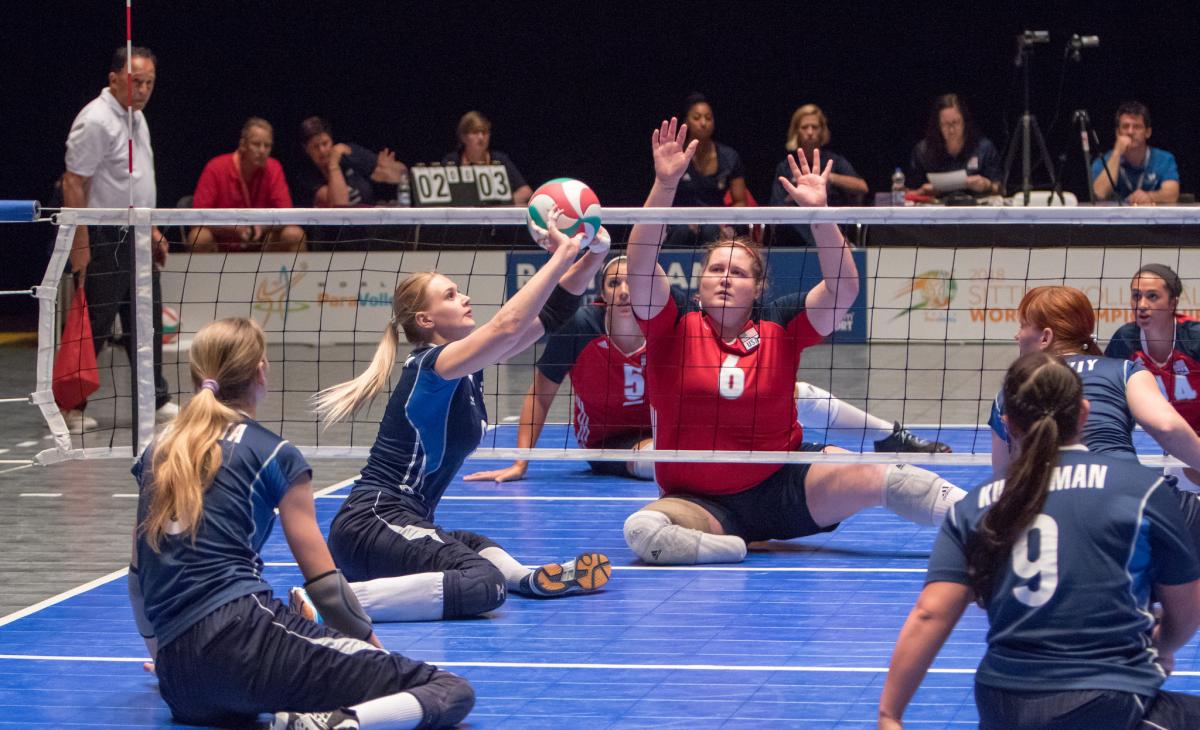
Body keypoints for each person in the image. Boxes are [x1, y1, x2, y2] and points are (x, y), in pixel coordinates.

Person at [619, 117, 965, 567]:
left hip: (786, 484)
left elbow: (844, 290)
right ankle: (734, 546)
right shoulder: (672, 323)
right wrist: (665, 185)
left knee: (886, 478)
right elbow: (640, 263)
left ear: (758, 288)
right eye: (716, 270)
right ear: (700, 281)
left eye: (738, 272)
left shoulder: (780, 323)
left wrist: (818, 215)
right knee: (642, 531)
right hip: (700, 501)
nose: (725, 278)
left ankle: (994, 520)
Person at [129, 317, 474, 730]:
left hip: (183, 685)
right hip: (247, 637)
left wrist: (164, 655)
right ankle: (336, 724)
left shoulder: (159, 451)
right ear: (260, 370)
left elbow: (138, 578)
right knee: (447, 689)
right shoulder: (274, 454)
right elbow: (325, 586)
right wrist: (375, 655)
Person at [304, 211, 611, 623]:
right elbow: (506, 325)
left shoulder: (468, 365)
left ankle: (530, 578)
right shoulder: (432, 367)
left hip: (402, 522)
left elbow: (548, 317)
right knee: (483, 584)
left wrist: (593, 257)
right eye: (450, 295)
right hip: (372, 522)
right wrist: (561, 254)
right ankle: (326, 603)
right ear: (425, 321)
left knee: (473, 544)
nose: (464, 298)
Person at [879, 351, 1200, 730]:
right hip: (1106, 701)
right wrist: (1158, 649)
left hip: (1002, 706)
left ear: (1007, 423)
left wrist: (890, 715)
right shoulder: (1141, 489)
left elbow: (930, 613)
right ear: (1084, 413)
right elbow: (1187, 610)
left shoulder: (979, 503)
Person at [464, 256, 949, 485]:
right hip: (616, 443)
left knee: (785, 388)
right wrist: (520, 461)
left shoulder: (670, 313)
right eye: (614, 284)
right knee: (671, 457)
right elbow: (540, 394)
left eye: (629, 281)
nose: (626, 291)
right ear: (602, 293)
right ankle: (778, 457)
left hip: (682, 416)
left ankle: (889, 435)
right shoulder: (580, 327)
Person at [61, 46, 175, 433]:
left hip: (139, 232)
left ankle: (155, 397)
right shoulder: (95, 120)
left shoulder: (137, 118)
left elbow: (135, 181)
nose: (143, 90)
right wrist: (80, 244)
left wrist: (154, 229)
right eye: (136, 81)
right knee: (96, 321)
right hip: (104, 235)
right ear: (114, 79)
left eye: (149, 83)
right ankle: (72, 405)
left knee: (147, 319)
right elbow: (74, 181)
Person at [989, 286, 1200, 475]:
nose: (1017, 335)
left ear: (1045, 338)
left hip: (1046, 502)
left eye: (1023, 325)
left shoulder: (1011, 390)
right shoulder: (1125, 370)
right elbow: (1166, 427)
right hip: (1122, 489)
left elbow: (1004, 475)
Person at [1106, 264, 1200, 488]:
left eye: (1152, 296)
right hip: (1150, 437)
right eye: (1136, 296)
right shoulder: (1125, 340)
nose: (1142, 306)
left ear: (1173, 303)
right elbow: (1108, 397)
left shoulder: (1195, 338)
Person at [188, 117, 307, 252]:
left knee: (294, 234)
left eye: (267, 145)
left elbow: (286, 214)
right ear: (243, 145)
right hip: (222, 242)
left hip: (262, 242)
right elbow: (198, 217)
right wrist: (234, 229)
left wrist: (261, 227)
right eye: (256, 144)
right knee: (199, 237)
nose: (262, 150)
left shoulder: (274, 167)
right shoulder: (215, 168)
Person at [663, 93, 748, 247]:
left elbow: (740, 201)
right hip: (678, 222)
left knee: (711, 230)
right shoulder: (675, 156)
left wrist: (724, 222)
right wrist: (685, 219)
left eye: (708, 118)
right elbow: (663, 196)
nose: (703, 123)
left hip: (715, 221)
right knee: (682, 231)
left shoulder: (729, 157)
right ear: (686, 122)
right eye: (697, 117)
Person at [296, 116, 407, 208]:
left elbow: (402, 173)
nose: (322, 151)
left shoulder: (349, 153)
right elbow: (340, 204)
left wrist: (388, 171)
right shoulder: (306, 176)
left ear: (332, 140)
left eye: (325, 143)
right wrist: (333, 165)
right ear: (306, 149)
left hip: (371, 221)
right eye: (315, 147)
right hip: (340, 230)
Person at [908, 94, 1001, 196]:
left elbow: (999, 190)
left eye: (955, 122)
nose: (951, 130)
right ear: (938, 125)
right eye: (945, 124)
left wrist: (987, 185)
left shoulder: (984, 148)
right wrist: (923, 191)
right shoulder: (923, 151)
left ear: (965, 122)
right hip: (935, 208)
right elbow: (911, 194)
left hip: (975, 208)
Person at [1091, 102, 1180, 205]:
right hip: (1115, 219)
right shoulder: (1103, 161)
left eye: (1137, 127)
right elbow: (1098, 194)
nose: (1130, 132)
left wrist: (1150, 196)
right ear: (1117, 132)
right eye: (1125, 126)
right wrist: (1116, 153)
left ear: (1148, 132)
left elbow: (1172, 194)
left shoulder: (1164, 159)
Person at [441, 111, 532, 206]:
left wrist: (501, 204)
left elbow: (526, 191)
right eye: (475, 132)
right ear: (463, 137)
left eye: (484, 132)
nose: (481, 137)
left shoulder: (500, 160)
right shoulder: (452, 162)